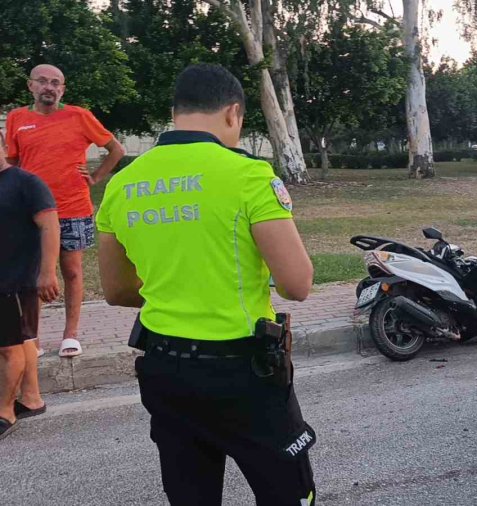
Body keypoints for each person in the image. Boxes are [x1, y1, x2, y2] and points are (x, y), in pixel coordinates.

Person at [97, 64, 316, 505]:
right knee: (289, 493)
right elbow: (297, 284)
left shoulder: (122, 184)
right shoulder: (248, 176)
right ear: (233, 113)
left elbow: (117, 291)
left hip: (164, 369)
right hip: (241, 371)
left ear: (175, 112)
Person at [5, 64, 126, 358]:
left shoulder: (79, 116)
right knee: (31, 275)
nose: (49, 87)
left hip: (73, 208)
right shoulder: (16, 118)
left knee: (71, 272)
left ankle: (70, 335)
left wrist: (96, 177)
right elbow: (12, 163)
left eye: (55, 83)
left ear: (63, 89)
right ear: (30, 86)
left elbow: (117, 150)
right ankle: (32, 338)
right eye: (43, 81)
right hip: (31, 213)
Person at [0, 130, 59, 440]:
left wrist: (47, 273)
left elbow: (50, 225)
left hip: (15, 282)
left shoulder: (25, 183)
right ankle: (31, 399)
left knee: (10, 348)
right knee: (22, 340)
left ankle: (5, 412)